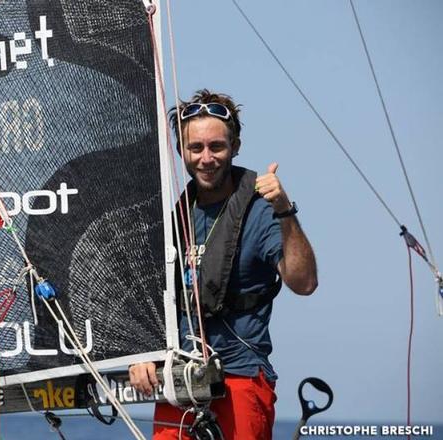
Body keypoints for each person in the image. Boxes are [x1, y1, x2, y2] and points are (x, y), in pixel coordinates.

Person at [129, 89, 318, 439]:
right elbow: (147, 300)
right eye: (195, 148)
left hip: (239, 379)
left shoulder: (261, 211)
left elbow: (304, 283)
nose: (206, 158)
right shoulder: (173, 218)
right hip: (180, 383)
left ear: (235, 146)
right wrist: (141, 355)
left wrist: (284, 210)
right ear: (181, 151)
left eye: (217, 147)